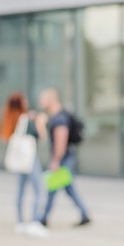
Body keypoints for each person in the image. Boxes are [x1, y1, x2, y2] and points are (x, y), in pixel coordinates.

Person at [0, 91, 50, 238]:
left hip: (20, 161)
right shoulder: (26, 119)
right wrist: (40, 122)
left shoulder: (11, 118)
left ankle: (20, 222)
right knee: (38, 190)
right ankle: (35, 222)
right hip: (29, 159)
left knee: (21, 191)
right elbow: (41, 136)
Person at [39, 87, 91, 227]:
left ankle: (43, 218)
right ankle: (84, 213)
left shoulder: (59, 119)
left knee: (53, 187)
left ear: (51, 100)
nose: (40, 101)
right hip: (64, 157)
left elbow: (61, 141)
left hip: (63, 158)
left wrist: (56, 160)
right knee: (68, 187)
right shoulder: (55, 116)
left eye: (43, 98)